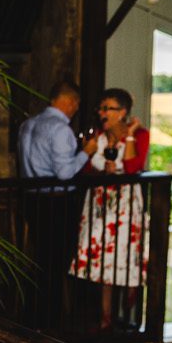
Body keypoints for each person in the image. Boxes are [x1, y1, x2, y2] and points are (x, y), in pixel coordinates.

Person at [70, 87, 153, 324]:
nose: (102, 113)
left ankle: (130, 291)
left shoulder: (140, 135)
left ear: (122, 112)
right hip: (100, 201)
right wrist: (98, 169)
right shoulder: (98, 135)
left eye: (108, 108)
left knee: (124, 250)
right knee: (102, 255)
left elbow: (131, 167)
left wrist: (128, 136)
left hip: (125, 202)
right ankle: (105, 316)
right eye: (101, 108)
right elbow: (85, 168)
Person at [18, 79, 89, 181]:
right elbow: (65, 174)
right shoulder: (60, 129)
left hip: (28, 194)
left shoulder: (26, 124)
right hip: (55, 194)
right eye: (77, 104)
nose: (77, 108)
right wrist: (86, 152)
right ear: (71, 102)